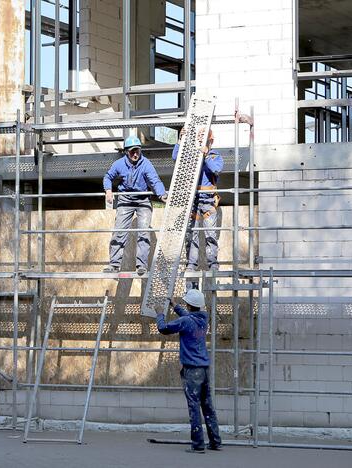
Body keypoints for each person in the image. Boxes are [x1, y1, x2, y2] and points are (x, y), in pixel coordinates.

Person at [155, 289, 222, 454]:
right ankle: (215, 441)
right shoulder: (203, 318)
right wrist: (175, 306)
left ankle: (198, 444)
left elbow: (163, 328)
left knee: (194, 406)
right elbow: (188, 315)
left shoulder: (185, 321)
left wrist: (159, 313)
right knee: (208, 406)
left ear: (189, 305)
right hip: (204, 368)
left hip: (192, 370)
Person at [102, 135, 167, 275]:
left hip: (143, 199)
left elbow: (155, 180)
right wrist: (108, 190)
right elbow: (108, 176)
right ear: (126, 151)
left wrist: (162, 194)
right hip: (125, 200)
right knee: (119, 231)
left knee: (143, 232)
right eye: (132, 151)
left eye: (137, 150)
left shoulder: (146, 164)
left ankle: (141, 265)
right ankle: (114, 264)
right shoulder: (119, 164)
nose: (135, 154)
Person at [172, 128, 223, 273]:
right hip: (193, 200)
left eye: (205, 139)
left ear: (210, 141)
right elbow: (176, 158)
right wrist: (180, 141)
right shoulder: (192, 156)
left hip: (208, 201)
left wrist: (205, 155)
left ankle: (213, 264)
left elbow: (216, 170)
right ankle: (191, 264)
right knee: (191, 233)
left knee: (210, 234)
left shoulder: (214, 156)